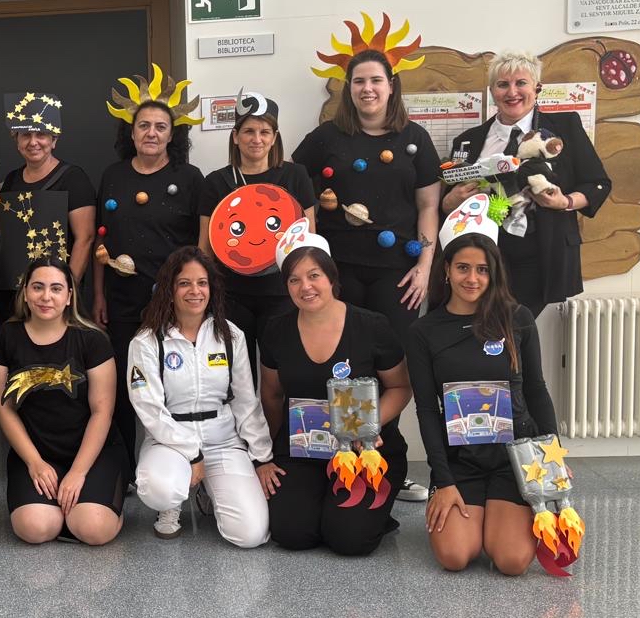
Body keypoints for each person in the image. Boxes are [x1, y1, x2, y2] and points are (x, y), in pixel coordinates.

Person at [292, 49, 440, 500]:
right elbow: (293, 187)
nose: (367, 89)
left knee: (390, 372)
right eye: (359, 81)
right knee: (343, 367)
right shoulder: (326, 138)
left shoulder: (415, 137)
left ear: (391, 86)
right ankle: (335, 459)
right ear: (348, 88)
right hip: (338, 276)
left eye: (376, 80)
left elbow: (428, 206)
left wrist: (424, 267)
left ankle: (389, 466)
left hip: (398, 276)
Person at [408, 197, 561, 575]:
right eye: (462, 268)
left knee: (511, 561)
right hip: (460, 462)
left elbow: (537, 390)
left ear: (494, 273)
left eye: (482, 270)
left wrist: (552, 459)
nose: (472, 279)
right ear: (446, 270)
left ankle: (500, 513)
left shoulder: (518, 318)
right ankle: (472, 512)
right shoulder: (424, 331)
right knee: (455, 556)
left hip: (515, 458)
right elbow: (426, 410)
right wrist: (443, 480)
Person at [259, 221, 414, 556]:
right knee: (292, 533)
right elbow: (271, 394)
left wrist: (368, 427)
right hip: (302, 451)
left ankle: (364, 515)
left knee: (349, 539)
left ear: (331, 276)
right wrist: (269, 453)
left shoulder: (372, 326)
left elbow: (401, 387)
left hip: (364, 450)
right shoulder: (276, 330)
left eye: (314, 275)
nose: (305, 286)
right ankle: (325, 505)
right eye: (294, 279)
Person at [441, 50, 612, 316]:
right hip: (483, 255)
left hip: (541, 252)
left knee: (514, 326)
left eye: (521, 83)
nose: (512, 92)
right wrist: (450, 202)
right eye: (502, 84)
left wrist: (564, 202)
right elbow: (449, 199)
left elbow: (598, 183)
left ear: (537, 88)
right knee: (482, 325)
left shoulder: (565, 126)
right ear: (492, 91)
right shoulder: (468, 140)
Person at [128, 247, 280, 545]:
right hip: (169, 442)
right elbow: (150, 410)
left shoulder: (230, 336)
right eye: (184, 283)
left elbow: (245, 401)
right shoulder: (147, 341)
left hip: (222, 440)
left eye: (202, 283)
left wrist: (263, 456)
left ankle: (209, 492)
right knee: (160, 489)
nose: (194, 291)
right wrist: (193, 453)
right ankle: (172, 504)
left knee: (251, 535)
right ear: (169, 290)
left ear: (212, 289)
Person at [0, 256, 127, 546]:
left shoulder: (93, 340)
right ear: (25, 292)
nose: (46, 296)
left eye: (56, 288)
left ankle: (94, 509)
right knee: (35, 529)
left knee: (93, 529)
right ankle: (61, 512)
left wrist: (78, 473)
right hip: (37, 451)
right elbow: (5, 409)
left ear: (69, 296)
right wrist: (34, 462)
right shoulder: (5, 337)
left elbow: (102, 412)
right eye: (37, 287)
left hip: (93, 452)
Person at [95, 95, 204, 458]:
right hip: (123, 298)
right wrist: (99, 295)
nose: (151, 133)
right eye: (144, 125)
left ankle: (184, 458)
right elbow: (101, 240)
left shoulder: (189, 178)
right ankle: (125, 465)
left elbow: (200, 246)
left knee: (176, 382)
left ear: (172, 134)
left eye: (160, 127)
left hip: (174, 300)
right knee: (124, 383)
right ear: (132, 132)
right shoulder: (113, 175)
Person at [196, 92, 315, 372]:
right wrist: (205, 291)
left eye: (265, 132)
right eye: (249, 131)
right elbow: (205, 247)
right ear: (235, 136)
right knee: (236, 373)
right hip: (232, 294)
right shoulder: (216, 182)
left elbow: (308, 240)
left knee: (285, 370)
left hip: (283, 293)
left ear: (275, 138)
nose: (257, 139)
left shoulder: (295, 176)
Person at [0, 91, 97, 328]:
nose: (33, 142)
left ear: (54, 140)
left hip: (54, 299)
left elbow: (85, 238)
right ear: (16, 140)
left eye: (41, 134)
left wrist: (65, 290)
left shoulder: (73, 179)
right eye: (25, 135)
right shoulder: (11, 181)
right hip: (14, 295)